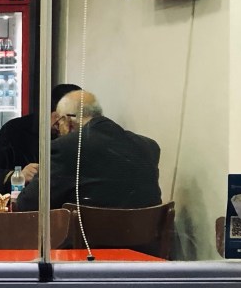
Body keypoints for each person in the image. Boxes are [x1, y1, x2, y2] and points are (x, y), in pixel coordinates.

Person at [17, 90, 162, 211]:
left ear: (68, 121)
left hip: (86, 237)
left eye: (59, 123)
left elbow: (28, 205)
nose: (59, 130)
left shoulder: (65, 148)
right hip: (143, 237)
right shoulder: (149, 146)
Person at [0, 84, 81, 194]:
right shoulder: (16, 130)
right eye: (65, 120)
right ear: (53, 113)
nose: (69, 127)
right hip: (22, 201)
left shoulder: (80, 133)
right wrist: (19, 176)